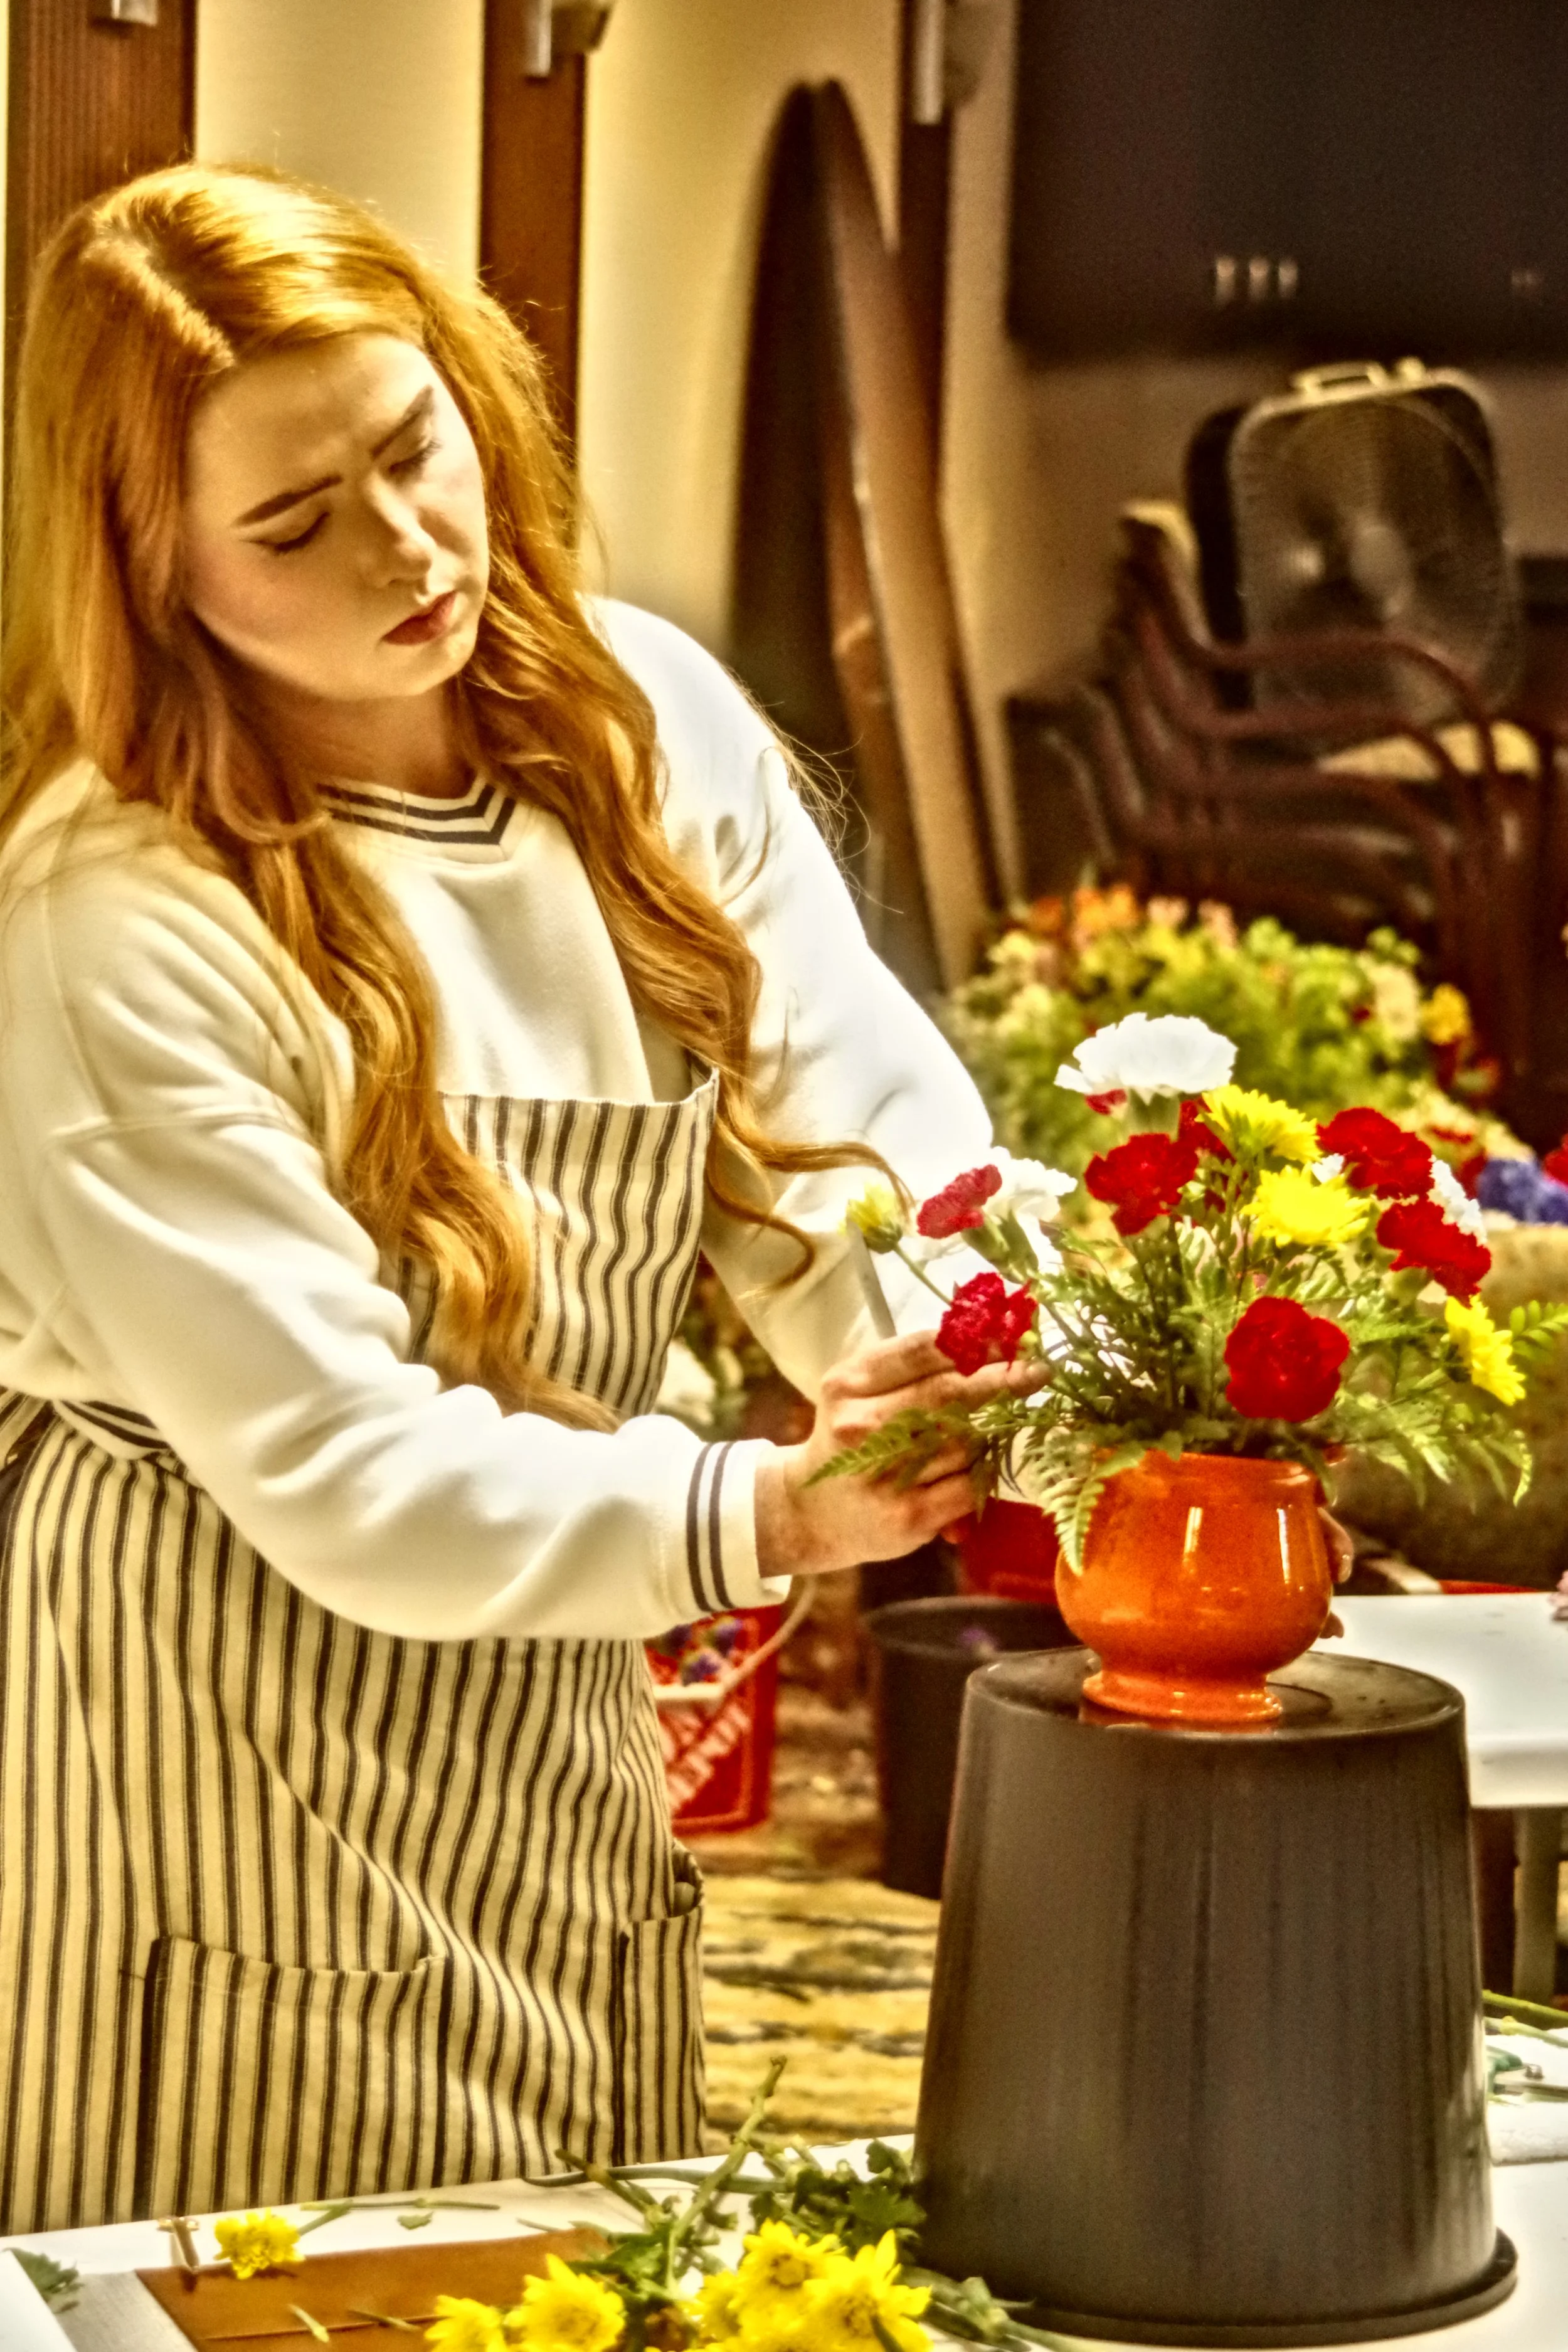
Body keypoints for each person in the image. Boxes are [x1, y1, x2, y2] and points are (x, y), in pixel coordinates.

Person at [0, 164, 1012, 2236]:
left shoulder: (627, 719)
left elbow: (846, 1107)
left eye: (412, 446)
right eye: (295, 521)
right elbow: (346, 1466)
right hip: (216, 1710)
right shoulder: (112, 925)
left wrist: (1002, 1360)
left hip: (544, 1681)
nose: (404, 546)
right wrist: (761, 1509)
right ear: (151, 567)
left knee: (570, 2235)